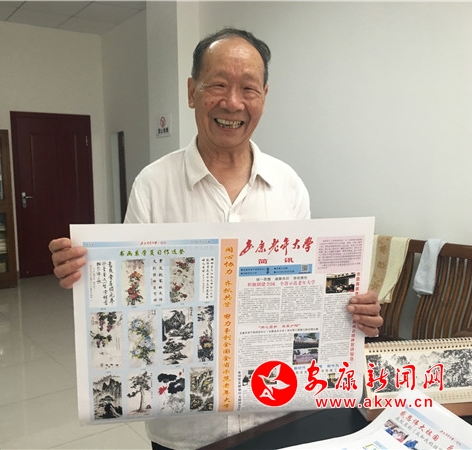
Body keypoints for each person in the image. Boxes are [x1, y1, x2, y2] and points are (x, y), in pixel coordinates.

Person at [49, 27, 382, 450]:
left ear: (264, 97)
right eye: (218, 85)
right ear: (192, 92)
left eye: (248, 88)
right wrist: (84, 273)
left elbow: (307, 293)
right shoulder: (154, 184)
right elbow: (130, 293)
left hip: (278, 416)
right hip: (187, 429)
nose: (233, 103)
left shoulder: (288, 185)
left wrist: (351, 313)